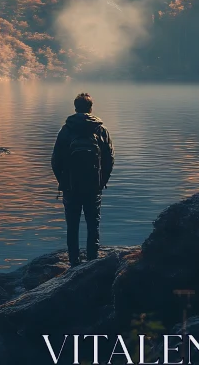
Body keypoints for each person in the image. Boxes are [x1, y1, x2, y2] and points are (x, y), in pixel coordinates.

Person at [51, 92, 114, 267]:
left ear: (76, 108)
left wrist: (63, 181)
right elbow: (109, 159)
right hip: (93, 187)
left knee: (72, 227)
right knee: (93, 226)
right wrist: (101, 182)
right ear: (90, 108)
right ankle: (92, 264)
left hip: (71, 187)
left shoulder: (66, 130)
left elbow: (56, 160)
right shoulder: (100, 130)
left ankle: (73, 263)